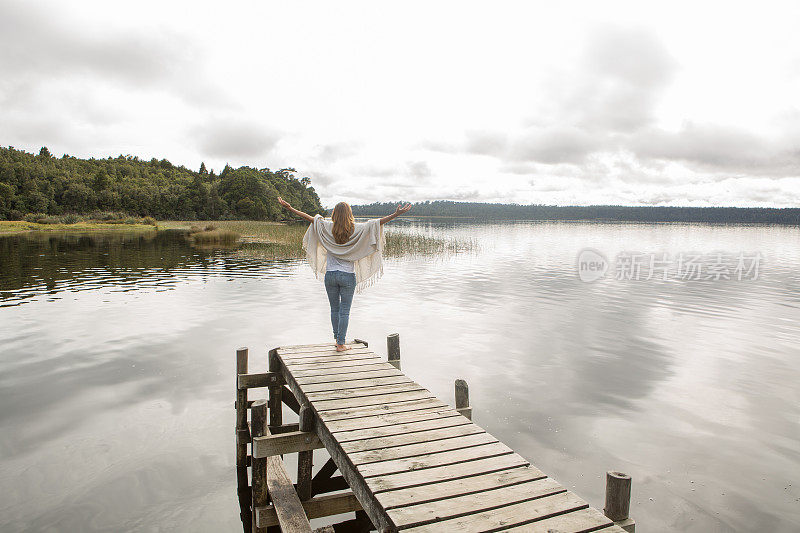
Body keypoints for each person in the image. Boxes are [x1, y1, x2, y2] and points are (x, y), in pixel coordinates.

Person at [277, 197, 412, 351]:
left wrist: (290, 208)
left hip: (331, 275)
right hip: (347, 276)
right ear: (349, 214)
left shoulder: (327, 227)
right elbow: (377, 223)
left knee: (334, 309)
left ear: (334, 214)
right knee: (344, 311)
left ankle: (337, 340)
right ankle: (341, 343)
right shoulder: (356, 229)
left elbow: (308, 218)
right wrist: (396, 214)